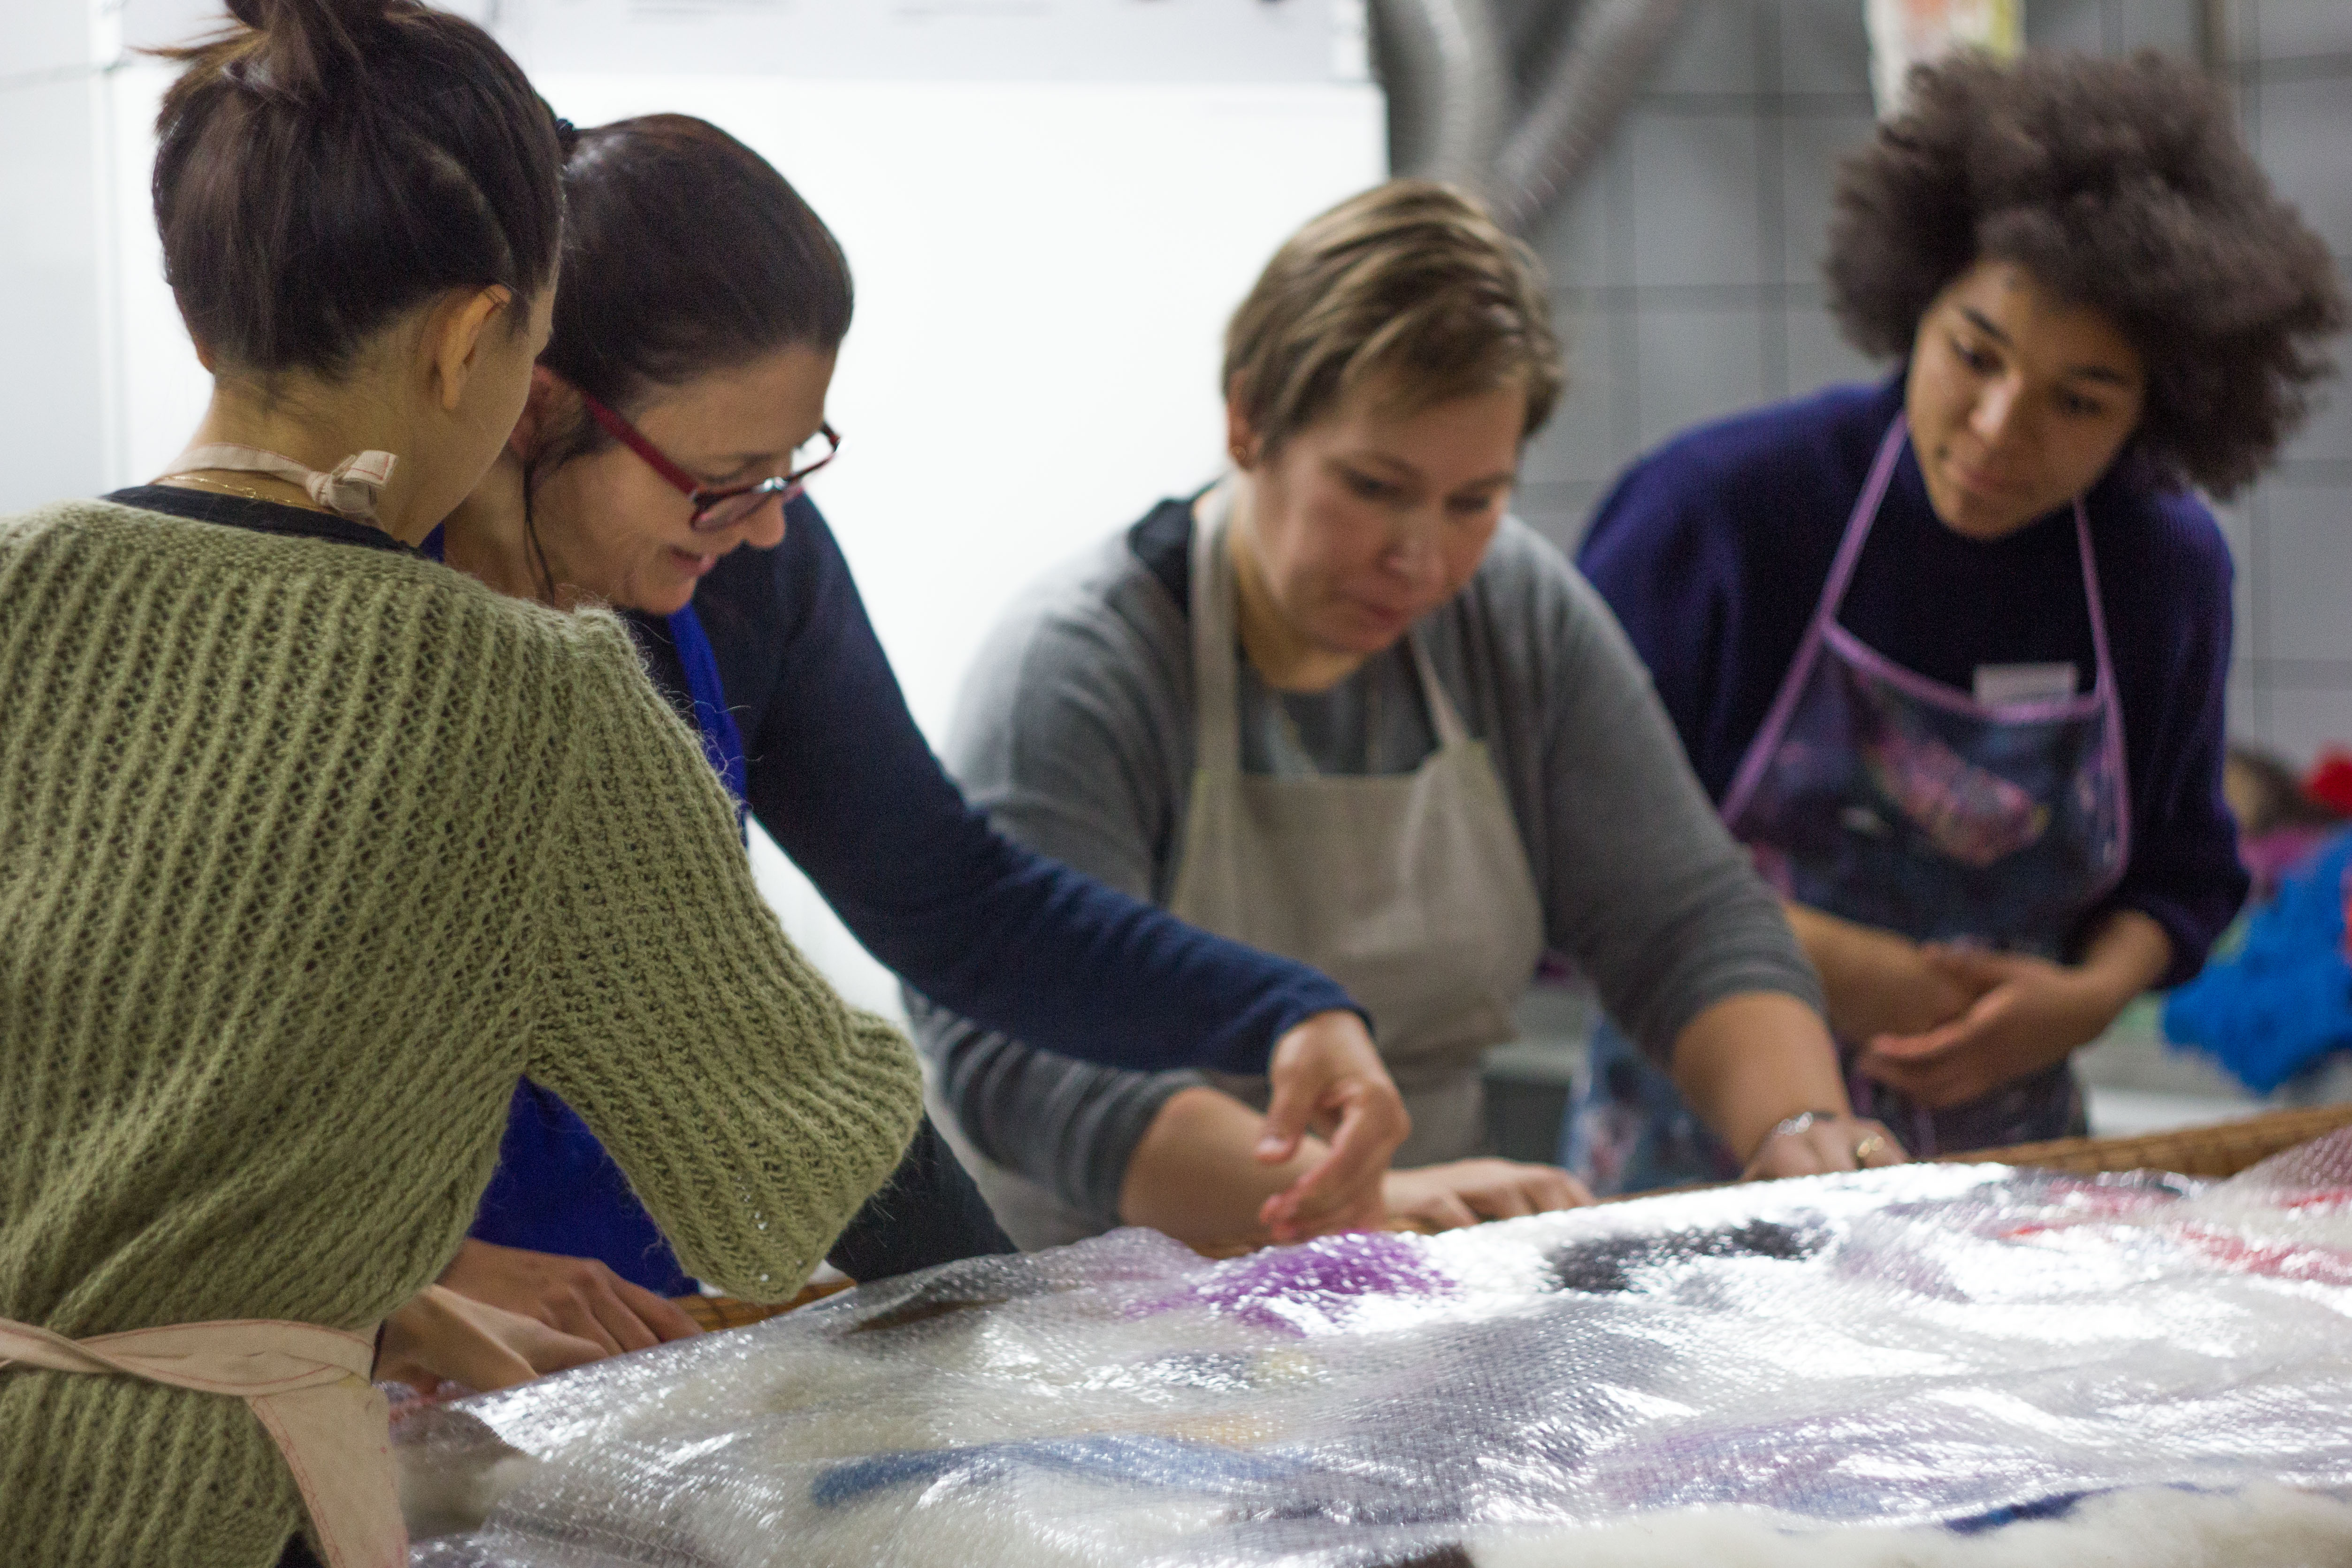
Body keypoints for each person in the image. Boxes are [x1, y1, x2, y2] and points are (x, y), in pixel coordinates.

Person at [0, 4, 926, 1564]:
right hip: (229, 1514)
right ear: (474, 339)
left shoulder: (23, 588)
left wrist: (382, 1292)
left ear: (201, 307)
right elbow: (787, 1164)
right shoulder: (525, 694)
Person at [428, 114, 1410, 1341]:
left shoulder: (742, 566)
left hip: (658, 1315)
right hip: (380, 1328)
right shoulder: (353, 631)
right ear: (535, 407)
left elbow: (950, 901)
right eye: (723, 480)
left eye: (791, 467)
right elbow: (224, 1095)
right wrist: (421, 1279)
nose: (768, 523)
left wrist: (1283, 1009)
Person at [909, 180, 1903, 1252]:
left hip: (1422, 1282)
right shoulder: (1079, 669)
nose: (1420, 559)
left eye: (1473, 502)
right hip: (1119, 1297)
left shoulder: (1513, 615)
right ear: (1248, 422)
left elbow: (1681, 920)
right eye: (1374, 488)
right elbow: (1028, 1058)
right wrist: (1352, 1207)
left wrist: (1800, 1131)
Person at [1571, 50, 2346, 1188]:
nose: (1995, 428)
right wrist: (1840, 969)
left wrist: (2082, 1000)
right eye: (1972, 355)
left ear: (2154, 413)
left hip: (2002, 1180)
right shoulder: (1719, 513)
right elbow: (1579, 854)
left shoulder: (2159, 569)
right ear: (1916, 304)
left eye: (2078, 401)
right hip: (1690, 1175)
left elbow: (2181, 873)